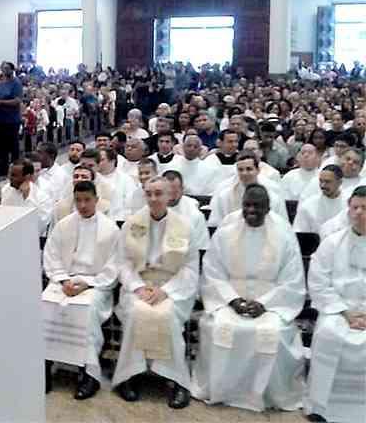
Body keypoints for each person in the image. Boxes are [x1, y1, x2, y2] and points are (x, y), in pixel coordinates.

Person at [192, 184, 307, 412]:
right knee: (221, 327)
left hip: (271, 303)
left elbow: (292, 280)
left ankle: (263, 395)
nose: (251, 210)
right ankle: (222, 390)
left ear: (268, 208)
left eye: (257, 205)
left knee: (272, 332)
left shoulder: (283, 236)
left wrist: (264, 304)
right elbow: (213, 271)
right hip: (229, 300)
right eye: (247, 205)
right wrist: (233, 300)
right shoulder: (226, 233)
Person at [112, 178, 203, 409]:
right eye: (149, 194)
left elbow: (190, 268)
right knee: (136, 312)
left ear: (169, 195)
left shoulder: (185, 226)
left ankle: (177, 380)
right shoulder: (132, 223)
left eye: (158, 193)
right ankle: (130, 375)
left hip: (172, 287)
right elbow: (122, 263)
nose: (153, 199)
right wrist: (138, 287)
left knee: (166, 315)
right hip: (139, 285)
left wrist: (166, 291)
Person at [41, 180, 120, 400]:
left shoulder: (110, 229)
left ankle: (88, 373)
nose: (83, 205)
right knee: (45, 303)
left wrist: (87, 283)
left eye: (87, 200)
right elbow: (51, 255)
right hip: (64, 281)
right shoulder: (63, 225)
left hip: (95, 284)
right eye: (78, 200)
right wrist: (63, 279)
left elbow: (114, 266)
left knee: (87, 310)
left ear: (97, 200)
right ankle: (44, 367)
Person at [304, 186, 366, 422]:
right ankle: (321, 406)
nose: (359, 213)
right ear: (348, 208)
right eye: (355, 207)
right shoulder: (332, 243)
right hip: (338, 310)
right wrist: (346, 313)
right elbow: (318, 282)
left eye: (365, 208)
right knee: (328, 334)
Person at [207, 151, 286, 228]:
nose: (244, 173)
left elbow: (282, 223)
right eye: (240, 170)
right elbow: (216, 223)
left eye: (249, 169)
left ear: (258, 170)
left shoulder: (273, 194)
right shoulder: (225, 196)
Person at [294, 165, 350, 235]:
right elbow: (300, 232)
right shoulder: (308, 205)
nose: (323, 185)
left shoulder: (350, 204)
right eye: (321, 181)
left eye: (327, 182)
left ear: (340, 182)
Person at [2, 158, 53, 233]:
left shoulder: (42, 198)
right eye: (9, 174)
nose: (9, 178)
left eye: (13, 175)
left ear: (27, 177)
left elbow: (39, 226)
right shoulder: (5, 190)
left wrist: (27, 197)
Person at [0, 61, 23, 177]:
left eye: (7, 68)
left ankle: (16, 169)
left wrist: (0, 102)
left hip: (12, 119)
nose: (5, 71)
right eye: (3, 68)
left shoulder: (16, 83)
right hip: (0, 118)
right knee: (1, 146)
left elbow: (17, 100)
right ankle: (2, 170)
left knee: (13, 146)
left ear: (12, 70)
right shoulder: (1, 82)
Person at [162, 170, 210, 242]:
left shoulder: (195, 215)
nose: (171, 197)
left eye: (175, 192)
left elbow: (202, 245)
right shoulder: (150, 210)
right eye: (168, 192)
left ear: (182, 190)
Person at [95, 147, 140, 220]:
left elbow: (130, 203)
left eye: (101, 160)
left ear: (112, 161)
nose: (97, 162)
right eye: (96, 160)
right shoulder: (92, 177)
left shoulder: (126, 179)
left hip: (119, 219)